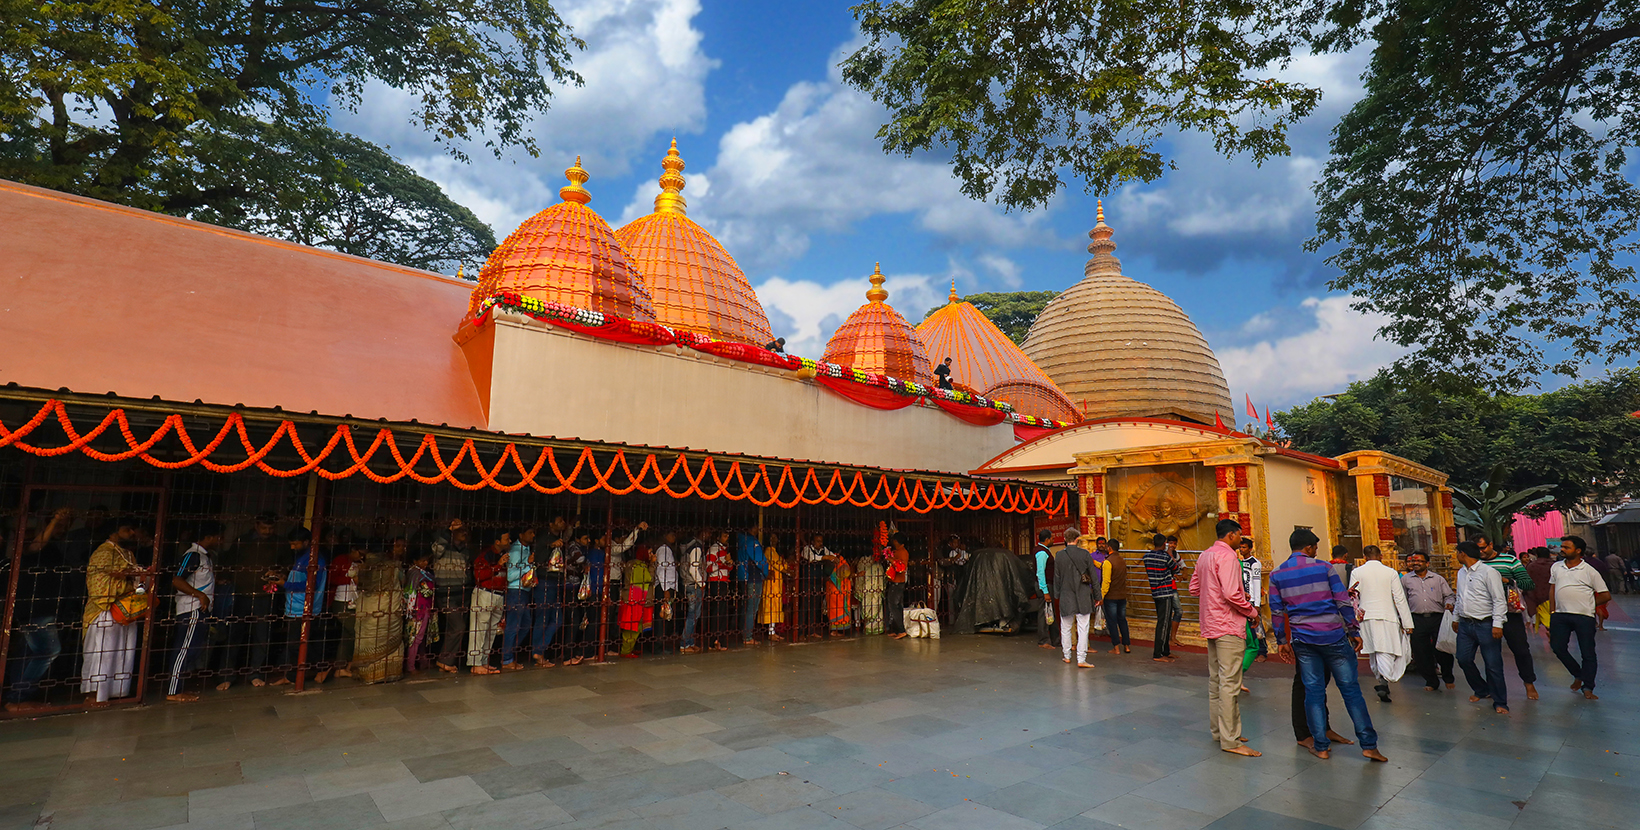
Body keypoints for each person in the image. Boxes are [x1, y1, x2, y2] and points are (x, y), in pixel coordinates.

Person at [1269, 528, 1387, 762]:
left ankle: (1320, 746)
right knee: (1351, 691)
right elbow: (1342, 601)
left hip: (1303, 640)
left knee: (1312, 692)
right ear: (1310, 547)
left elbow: (1275, 610)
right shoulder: (1324, 568)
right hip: (1333, 636)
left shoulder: (1277, 574)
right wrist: (1353, 630)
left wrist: (1281, 640)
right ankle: (1369, 745)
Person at [1189, 519, 1261, 757]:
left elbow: (1194, 588)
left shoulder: (1205, 555)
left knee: (1216, 681)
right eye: (1239, 535)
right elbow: (1230, 593)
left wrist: (1215, 595)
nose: (1241, 540)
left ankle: (1221, 732)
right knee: (1230, 683)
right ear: (1231, 535)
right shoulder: (1229, 556)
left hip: (1210, 623)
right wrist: (1251, 611)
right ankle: (1230, 740)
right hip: (1228, 625)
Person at [4, 508, 71, 712]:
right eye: (56, 525)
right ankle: (17, 698)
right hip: (35, 608)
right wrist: (54, 521)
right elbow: (36, 546)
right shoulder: (29, 546)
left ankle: (14, 697)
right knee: (48, 650)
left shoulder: (53, 547)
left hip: (41, 606)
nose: (60, 529)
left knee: (28, 653)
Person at [82, 517, 147, 707]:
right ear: (113, 533)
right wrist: (127, 578)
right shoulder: (103, 552)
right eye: (127, 529)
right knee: (103, 653)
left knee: (122, 651)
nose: (132, 533)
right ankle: (93, 695)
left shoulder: (127, 553)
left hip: (126, 608)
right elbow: (98, 585)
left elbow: (136, 579)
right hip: (105, 609)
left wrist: (133, 577)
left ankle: (115, 692)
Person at [221, 513, 286, 688]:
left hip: (265, 596)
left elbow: (286, 566)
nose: (267, 531)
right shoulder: (242, 541)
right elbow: (229, 563)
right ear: (256, 525)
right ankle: (227, 675)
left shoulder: (279, 543)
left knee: (262, 636)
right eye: (264, 528)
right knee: (234, 635)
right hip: (241, 594)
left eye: (271, 528)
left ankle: (255, 673)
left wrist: (278, 574)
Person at [1347, 545, 1413, 702]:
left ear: (1364, 557)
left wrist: (1353, 622)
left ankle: (1382, 680)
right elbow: (1400, 598)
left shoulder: (1357, 572)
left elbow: (1353, 598)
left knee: (1374, 651)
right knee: (1386, 649)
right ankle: (1386, 678)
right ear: (1381, 556)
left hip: (1366, 617)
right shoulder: (1390, 572)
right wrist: (1407, 622)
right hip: (1388, 616)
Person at [1477, 534, 1538, 701]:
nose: (1481, 552)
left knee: (1520, 650)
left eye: (1483, 548)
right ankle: (1492, 688)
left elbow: (1528, 584)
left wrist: (1507, 580)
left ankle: (1529, 682)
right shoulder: (1475, 564)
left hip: (1509, 613)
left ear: (1491, 545)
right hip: (1486, 615)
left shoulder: (1509, 561)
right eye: (1477, 549)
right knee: (1490, 654)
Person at [166, 521, 223, 702]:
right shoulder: (193, 555)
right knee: (184, 650)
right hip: (191, 609)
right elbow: (176, 580)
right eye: (218, 537)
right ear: (209, 537)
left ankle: (178, 688)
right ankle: (174, 691)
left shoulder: (204, 556)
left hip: (199, 609)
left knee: (191, 649)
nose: (220, 541)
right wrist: (199, 595)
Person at [1548, 536, 1610, 700]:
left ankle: (1588, 686)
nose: (1562, 550)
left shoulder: (1589, 571)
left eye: (1566, 547)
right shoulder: (1556, 567)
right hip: (1560, 615)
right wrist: (1552, 612)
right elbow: (1552, 589)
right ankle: (1578, 674)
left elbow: (1605, 595)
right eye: (1562, 547)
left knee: (1587, 652)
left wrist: (1589, 603)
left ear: (1578, 551)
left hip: (1584, 616)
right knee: (1557, 647)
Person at [1453, 541, 1510, 714]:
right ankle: (1481, 689)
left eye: (1457, 553)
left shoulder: (1489, 572)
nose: (1456, 556)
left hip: (1485, 623)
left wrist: (1497, 624)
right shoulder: (1461, 572)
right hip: (1465, 623)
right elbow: (1459, 597)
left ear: (1463, 554)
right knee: (1463, 658)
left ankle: (1500, 701)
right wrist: (1456, 617)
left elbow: (1499, 599)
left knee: (1493, 664)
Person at [270, 527, 328, 686]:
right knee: (295, 644)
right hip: (295, 607)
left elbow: (311, 585)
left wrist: (285, 584)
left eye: (295, 544)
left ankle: (322, 667)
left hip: (304, 608)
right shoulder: (303, 557)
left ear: (306, 542)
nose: (292, 547)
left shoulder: (314, 560)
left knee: (298, 644)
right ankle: (292, 677)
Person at [352, 541, 406, 684]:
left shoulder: (364, 569)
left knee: (367, 638)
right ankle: (389, 673)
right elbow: (403, 582)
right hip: (388, 607)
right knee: (388, 635)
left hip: (368, 607)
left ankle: (368, 675)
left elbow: (358, 585)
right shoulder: (394, 567)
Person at [1400, 552, 1455, 692]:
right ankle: (1431, 681)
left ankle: (1448, 676)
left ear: (1427, 563)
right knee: (1421, 652)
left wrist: (1449, 604)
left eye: (1419, 561)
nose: (1415, 563)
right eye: (1413, 561)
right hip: (1416, 619)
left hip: (1437, 618)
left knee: (1442, 649)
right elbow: (1402, 600)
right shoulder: (1405, 580)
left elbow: (1449, 596)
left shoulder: (1438, 579)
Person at [430, 519, 472, 673]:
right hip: (445, 593)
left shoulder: (464, 550)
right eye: (461, 531)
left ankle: (445, 661)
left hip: (461, 593)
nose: (464, 534)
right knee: (458, 627)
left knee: (452, 628)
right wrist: (448, 531)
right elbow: (435, 551)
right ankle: (444, 660)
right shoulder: (442, 547)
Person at [1053, 528, 1098, 668]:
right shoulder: (1085, 554)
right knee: (1083, 627)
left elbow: (1057, 577)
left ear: (1065, 539)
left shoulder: (1059, 555)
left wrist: (1057, 594)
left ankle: (1066, 655)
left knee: (1066, 627)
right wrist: (1098, 595)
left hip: (1066, 595)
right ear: (1077, 539)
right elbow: (1094, 577)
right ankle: (1081, 658)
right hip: (1083, 594)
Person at [467, 529, 510, 674]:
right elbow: (479, 576)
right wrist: (497, 565)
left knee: (491, 631)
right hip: (485, 594)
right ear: (497, 542)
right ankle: (475, 663)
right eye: (506, 539)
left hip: (498, 595)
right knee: (479, 630)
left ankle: (483, 662)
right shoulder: (485, 555)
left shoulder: (503, 555)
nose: (509, 542)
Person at [501, 527, 537, 670]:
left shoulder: (526, 548)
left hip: (524, 591)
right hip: (516, 591)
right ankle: (506, 659)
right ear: (521, 534)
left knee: (525, 624)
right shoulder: (516, 551)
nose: (533, 535)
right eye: (530, 532)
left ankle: (509, 653)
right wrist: (528, 564)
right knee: (513, 626)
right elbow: (510, 576)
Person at [1144, 533, 1183, 662]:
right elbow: (1176, 569)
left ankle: (1166, 651)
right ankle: (1158, 654)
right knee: (1164, 623)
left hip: (1155, 592)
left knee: (1163, 621)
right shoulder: (1165, 557)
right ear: (1163, 544)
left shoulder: (1147, 556)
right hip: (1166, 592)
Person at [404, 550, 436, 674]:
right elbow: (426, 592)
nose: (425, 562)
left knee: (421, 637)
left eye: (426, 560)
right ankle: (410, 665)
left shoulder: (421, 573)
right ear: (415, 561)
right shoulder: (416, 574)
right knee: (415, 638)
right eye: (422, 560)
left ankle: (423, 661)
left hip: (425, 607)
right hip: (418, 609)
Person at [799, 534, 835, 641]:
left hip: (818, 582)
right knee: (804, 607)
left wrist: (833, 558)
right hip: (807, 581)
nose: (820, 543)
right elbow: (812, 558)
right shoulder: (806, 549)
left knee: (814, 606)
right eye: (818, 541)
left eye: (821, 541)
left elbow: (833, 556)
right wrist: (826, 557)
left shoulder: (824, 550)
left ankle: (811, 631)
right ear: (812, 542)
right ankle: (801, 632)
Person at [1236, 537, 1265, 666]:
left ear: (1250, 548)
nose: (1241, 550)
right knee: (1249, 627)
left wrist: (1257, 603)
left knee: (1258, 626)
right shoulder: (1240, 562)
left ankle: (1263, 651)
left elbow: (1257, 583)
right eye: (1240, 547)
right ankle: (1252, 649)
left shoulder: (1255, 563)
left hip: (1253, 599)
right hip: (1244, 598)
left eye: (1244, 547)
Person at [679, 530, 708, 654]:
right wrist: (702, 583)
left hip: (688, 583)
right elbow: (693, 568)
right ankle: (684, 644)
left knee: (694, 615)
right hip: (694, 584)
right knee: (692, 615)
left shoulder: (688, 546)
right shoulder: (696, 548)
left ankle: (689, 643)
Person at [738, 531, 767, 645]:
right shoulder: (751, 542)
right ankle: (748, 636)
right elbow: (760, 560)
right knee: (752, 608)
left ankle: (743, 632)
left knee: (746, 606)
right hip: (753, 577)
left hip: (742, 576)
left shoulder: (740, 540)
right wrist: (766, 573)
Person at [653, 531, 680, 651]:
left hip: (668, 586)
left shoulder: (668, 549)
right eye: (672, 534)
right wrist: (665, 589)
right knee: (662, 616)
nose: (674, 536)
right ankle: (658, 646)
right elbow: (660, 570)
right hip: (665, 587)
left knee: (666, 615)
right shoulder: (663, 550)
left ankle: (661, 644)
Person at [1034, 530, 1060, 650]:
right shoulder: (1042, 553)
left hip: (1047, 585)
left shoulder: (1043, 551)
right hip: (1045, 585)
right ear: (1047, 539)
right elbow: (1040, 572)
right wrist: (1045, 591)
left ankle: (1055, 639)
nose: (1053, 541)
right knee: (1044, 613)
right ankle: (1043, 640)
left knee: (1050, 612)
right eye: (1052, 539)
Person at [1104, 545, 1131, 654]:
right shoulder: (1122, 560)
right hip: (1122, 595)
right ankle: (1127, 645)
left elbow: (1106, 581)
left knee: (1112, 622)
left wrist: (1101, 596)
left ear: (1109, 548)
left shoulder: (1108, 562)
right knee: (1122, 620)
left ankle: (1116, 647)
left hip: (1111, 596)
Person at [760, 537, 788, 641]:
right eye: (772, 537)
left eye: (776, 537)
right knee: (771, 607)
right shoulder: (769, 551)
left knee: (775, 606)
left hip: (776, 583)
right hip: (771, 583)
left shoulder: (775, 551)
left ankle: (773, 632)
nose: (774, 539)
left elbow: (783, 563)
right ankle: (770, 632)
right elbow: (779, 565)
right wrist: (786, 569)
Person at [885, 533, 912, 639]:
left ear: (897, 541)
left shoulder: (903, 553)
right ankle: (897, 630)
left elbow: (901, 568)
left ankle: (901, 630)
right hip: (895, 581)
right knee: (897, 606)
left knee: (893, 606)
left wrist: (890, 559)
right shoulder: (898, 552)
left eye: (894, 541)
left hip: (898, 582)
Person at [826, 546, 854, 637]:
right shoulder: (829, 560)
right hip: (834, 589)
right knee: (835, 610)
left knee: (839, 609)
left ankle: (838, 630)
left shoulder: (841, 560)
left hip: (841, 588)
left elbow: (846, 572)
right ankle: (834, 630)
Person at [1525, 547, 1555, 629]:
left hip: (1538, 597)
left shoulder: (1531, 566)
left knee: (1546, 620)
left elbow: (1527, 582)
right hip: (1554, 596)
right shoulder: (1554, 565)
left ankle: (1551, 633)